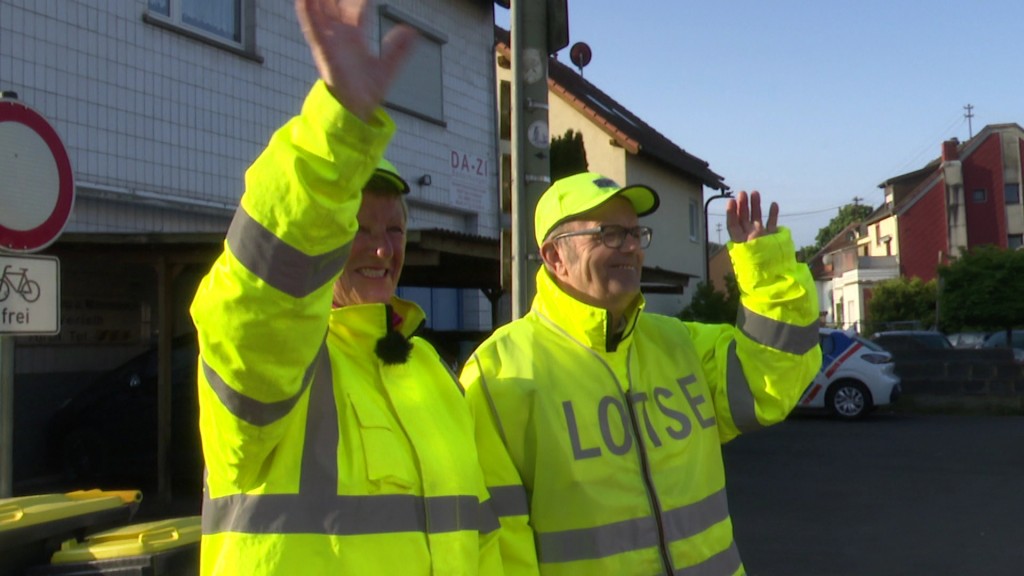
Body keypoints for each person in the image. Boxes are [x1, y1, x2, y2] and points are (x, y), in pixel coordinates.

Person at [190, 0, 506, 573]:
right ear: (324, 238)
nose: (382, 249)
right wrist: (337, 130)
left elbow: (479, 533)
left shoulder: (432, 371)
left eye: (394, 230)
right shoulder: (282, 364)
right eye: (358, 230)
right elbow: (255, 303)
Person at [460, 172, 822, 575]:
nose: (631, 247)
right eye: (610, 234)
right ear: (554, 257)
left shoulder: (680, 343)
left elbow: (775, 380)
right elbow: (494, 540)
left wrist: (766, 269)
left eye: (636, 233)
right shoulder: (498, 373)